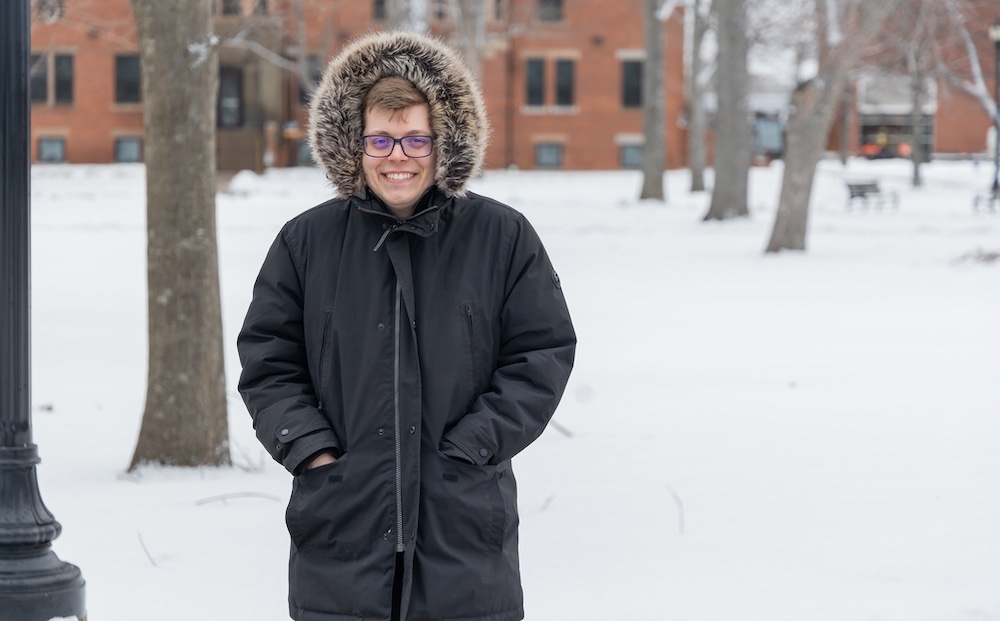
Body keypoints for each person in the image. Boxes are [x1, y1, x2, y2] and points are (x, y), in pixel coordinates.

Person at [237, 31, 576, 621]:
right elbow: (269, 362)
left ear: (443, 143)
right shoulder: (305, 242)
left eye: (416, 138)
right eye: (382, 140)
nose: (399, 156)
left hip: (463, 533)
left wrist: (475, 445)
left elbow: (541, 353)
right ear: (354, 144)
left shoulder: (502, 237)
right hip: (342, 530)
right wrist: (312, 451)